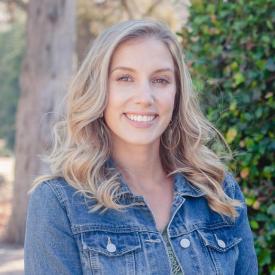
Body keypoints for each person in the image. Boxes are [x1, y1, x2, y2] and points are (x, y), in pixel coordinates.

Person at [24, 19, 258, 275]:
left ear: (177, 93)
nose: (145, 98)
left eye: (160, 80)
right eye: (125, 78)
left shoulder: (218, 191)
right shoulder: (59, 202)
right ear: (98, 89)